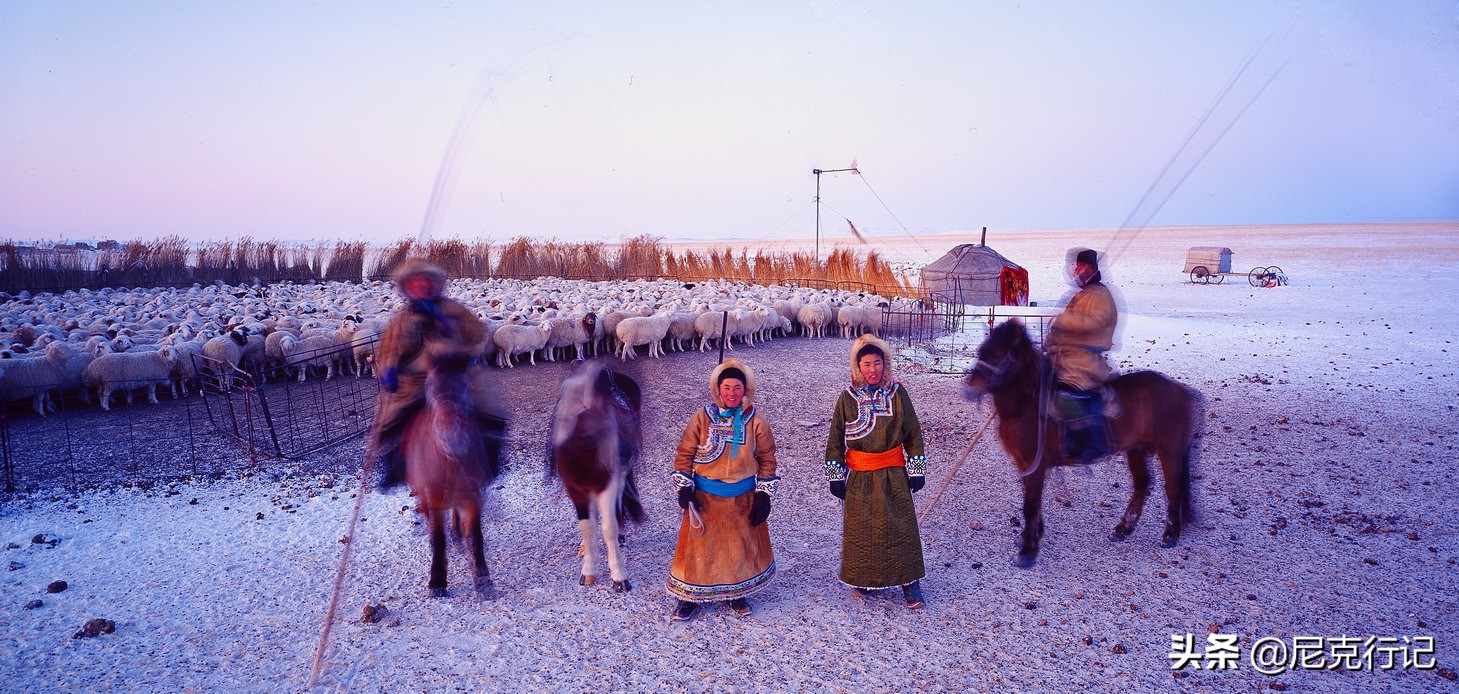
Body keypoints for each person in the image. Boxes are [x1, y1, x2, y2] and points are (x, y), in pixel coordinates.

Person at [371, 258, 505, 488]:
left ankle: (491, 461)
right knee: (387, 419)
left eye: (426, 280)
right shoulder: (399, 321)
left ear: (435, 284)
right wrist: (388, 369)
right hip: (415, 379)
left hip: (455, 371)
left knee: (491, 408)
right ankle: (394, 468)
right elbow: (387, 350)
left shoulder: (452, 309)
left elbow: (479, 332)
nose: (422, 285)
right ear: (407, 286)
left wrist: (449, 323)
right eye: (416, 281)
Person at [666, 357, 778, 621]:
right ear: (717, 389)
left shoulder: (756, 420)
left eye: (737, 388)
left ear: (746, 390)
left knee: (739, 548)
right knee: (700, 549)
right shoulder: (702, 417)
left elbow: (767, 458)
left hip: (742, 497)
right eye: (726, 387)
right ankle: (690, 597)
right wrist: (684, 487)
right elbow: (685, 452)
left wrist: (764, 494)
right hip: (705, 497)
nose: (731, 393)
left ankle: (736, 593)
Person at [824, 334, 927, 609]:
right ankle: (865, 578)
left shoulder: (898, 394)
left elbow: (913, 434)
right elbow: (835, 440)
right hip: (859, 476)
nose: (873, 370)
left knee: (900, 526)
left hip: (893, 474)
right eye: (866, 364)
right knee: (863, 529)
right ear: (857, 367)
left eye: (877, 363)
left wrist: (917, 468)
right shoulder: (847, 398)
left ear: (886, 364)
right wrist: (835, 475)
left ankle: (910, 584)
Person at [1046, 247, 1118, 464]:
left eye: (1079, 266)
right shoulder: (1084, 294)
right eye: (1075, 266)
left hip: (1084, 361)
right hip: (1067, 357)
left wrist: (1062, 320)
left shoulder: (1100, 294)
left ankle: (1090, 443)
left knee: (1065, 395)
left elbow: (1096, 322)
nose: (1076, 270)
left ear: (1089, 268)